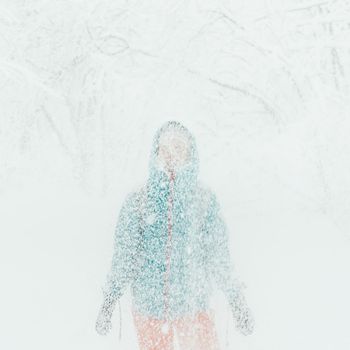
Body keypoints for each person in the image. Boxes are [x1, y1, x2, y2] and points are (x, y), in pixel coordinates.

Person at [96, 121, 255, 349]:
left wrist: (236, 300)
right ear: (156, 152)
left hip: (194, 307)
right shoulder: (138, 201)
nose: (172, 154)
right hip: (150, 310)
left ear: (190, 153)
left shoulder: (203, 201)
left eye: (179, 147)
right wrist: (109, 301)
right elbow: (125, 257)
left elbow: (219, 256)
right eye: (166, 149)